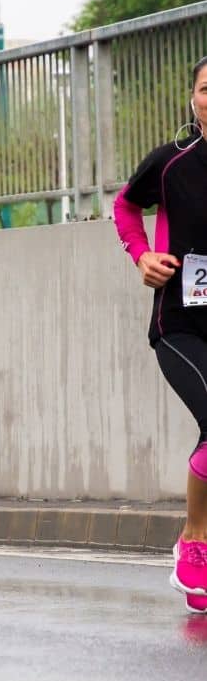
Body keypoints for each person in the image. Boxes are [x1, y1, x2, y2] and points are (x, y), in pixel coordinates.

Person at [114, 55, 207, 614]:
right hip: (181, 324)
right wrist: (142, 254)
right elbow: (126, 205)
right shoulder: (171, 164)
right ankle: (195, 539)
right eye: (206, 89)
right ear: (194, 100)